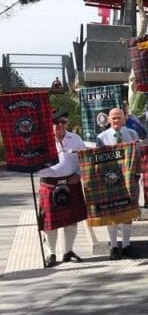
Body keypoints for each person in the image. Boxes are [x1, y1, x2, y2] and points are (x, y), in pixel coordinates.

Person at [37, 109, 88, 267]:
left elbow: (85, 159)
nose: (60, 125)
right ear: (50, 124)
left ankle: (68, 251)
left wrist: (79, 174)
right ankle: (51, 253)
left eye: (63, 122)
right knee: (49, 223)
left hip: (71, 183)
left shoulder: (76, 139)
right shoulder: (42, 140)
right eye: (56, 122)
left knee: (72, 220)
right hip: (49, 184)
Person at [96, 107, 141, 260]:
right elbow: (98, 162)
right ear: (108, 120)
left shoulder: (133, 134)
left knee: (128, 212)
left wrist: (137, 173)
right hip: (111, 181)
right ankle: (114, 247)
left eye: (119, 118)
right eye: (113, 118)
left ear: (124, 119)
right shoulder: (101, 138)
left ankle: (126, 245)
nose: (116, 121)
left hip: (130, 181)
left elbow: (138, 156)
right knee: (112, 212)